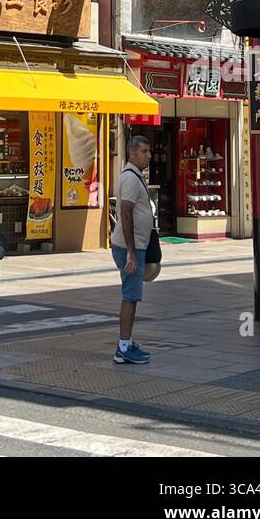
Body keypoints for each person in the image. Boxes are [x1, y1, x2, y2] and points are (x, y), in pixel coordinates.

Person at [111, 135, 154, 364]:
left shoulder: (136, 177)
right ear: (132, 153)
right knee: (130, 296)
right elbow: (125, 213)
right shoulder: (130, 178)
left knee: (133, 296)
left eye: (149, 151)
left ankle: (127, 342)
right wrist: (130, 251)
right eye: (144, 151)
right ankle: (123, 347)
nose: (148, 156)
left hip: (136, 245)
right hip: (130, 247)